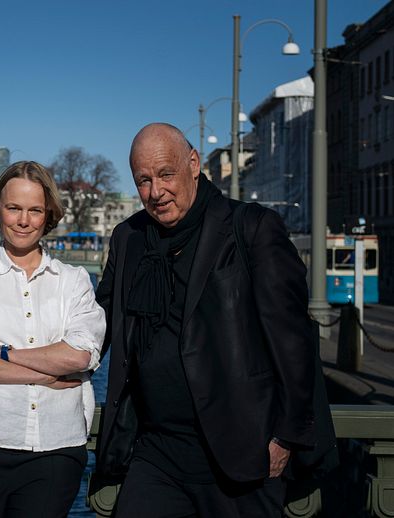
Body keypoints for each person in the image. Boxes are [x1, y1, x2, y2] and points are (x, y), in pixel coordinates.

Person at [94, 123, 328, 517]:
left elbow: (295, 343)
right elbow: (96, 323)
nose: (156, 192)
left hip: (240, 455)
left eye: (166, 174)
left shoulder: (251, 228)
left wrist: (286, 436)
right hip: (155, 453)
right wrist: (30, 355)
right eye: (144, 181)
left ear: (193, 164)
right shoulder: (129, 237)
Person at [0, 161, 106, 518]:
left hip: (56, 451)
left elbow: (79, 355)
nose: (23, 220)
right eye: (14, 208)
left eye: (34, 210)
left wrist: (1, 353)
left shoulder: (73, 281)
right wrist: (45, 375)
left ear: (48, 215)